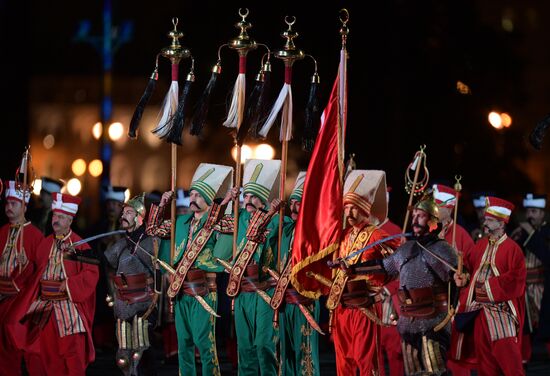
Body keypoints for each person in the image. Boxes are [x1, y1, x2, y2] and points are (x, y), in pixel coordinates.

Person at [350, 191, 458, 375]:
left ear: (432, 221)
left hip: (433, 320)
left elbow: (456, 277)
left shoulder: (442, 249)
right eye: (414, 215)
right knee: (412, 370)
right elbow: (383, 267)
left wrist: (460, 279)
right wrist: (353, 268)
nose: (415, 219)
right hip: (409, 320)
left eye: (421, 216)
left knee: (435, 370)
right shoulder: (406, 248)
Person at [147, 163, 234, 376]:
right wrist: (162, 204)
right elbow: (152, 229)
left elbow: (232, 227)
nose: (193, 198)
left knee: (204, 343)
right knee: (184, 344)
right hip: (181, 291)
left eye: (199, 195)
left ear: (208, 200)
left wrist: (228, 201)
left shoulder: (216, 222)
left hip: (204, 290)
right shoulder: (180, 222)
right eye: (192, 194)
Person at [327, 170, 399, 375]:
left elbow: (398, 262)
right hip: (342, 306)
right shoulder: (341, 235)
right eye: (346, 208)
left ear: (364, 209)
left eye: (354, 208)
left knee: (366, 361)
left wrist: (377, 281)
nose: (349, 213)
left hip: (364, 306)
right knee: (344, 362)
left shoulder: (377, 234)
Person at [215, 158, 282, 376]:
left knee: (264, 345)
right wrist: (227, 200)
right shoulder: (237, 218)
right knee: (245, 349)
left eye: (253, 196)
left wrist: (275, 212)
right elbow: (212, 223)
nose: (248, 200)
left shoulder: (276, 221)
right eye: (246, 196)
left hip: (265, 290)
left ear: (263, 200)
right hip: (242, 291)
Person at [21, 193, 99, 375]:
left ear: (70, 220)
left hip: (68, 305)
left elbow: (91, 274)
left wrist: (70, 283)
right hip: (44, 304)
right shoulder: (44, 243)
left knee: (72, 353)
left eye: (61, 217)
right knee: (38, 351)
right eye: (55, 216)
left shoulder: (81, 246)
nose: (55, 220)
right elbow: (34, 273)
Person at [452, 196, 526, 376]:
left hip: (502, 315)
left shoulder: (512, 248)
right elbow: (469, 268)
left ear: (501, 224)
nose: (485, 223)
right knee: (485, 366)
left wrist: (486, 289)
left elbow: (516, 280)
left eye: (490, 220)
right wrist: (463, 278)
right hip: (479, 314)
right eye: (486, 219)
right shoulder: (480, 244)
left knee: (511, 365)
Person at [104, 193, 160, 375]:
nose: (122, 216)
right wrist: (77, 254)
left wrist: (156, 299)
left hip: (144, 303)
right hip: (123, 303)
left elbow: (160, 273)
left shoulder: (152, 243)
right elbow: (103, 262)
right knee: (123, 357)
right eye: (123, 213)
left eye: (128, 212)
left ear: (139, 216)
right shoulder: (120, 244)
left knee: (141, 353)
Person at [271, 172, 321, 376]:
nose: (293, 206)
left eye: (299, 203)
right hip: (284, 302)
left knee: (305, 354)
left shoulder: (313, 232)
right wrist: (273, 213)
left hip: (304, 302)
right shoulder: (283, 229)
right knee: (286, 354)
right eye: (292, 201)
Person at [0, 181, 44, 375]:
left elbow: (41, 271)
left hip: (22, 298)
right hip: (1, 296)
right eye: (7, 203)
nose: (9, 207)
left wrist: (26, 266)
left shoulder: (36, 236)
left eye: (14, 204)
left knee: (12, 332)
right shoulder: (1, 231)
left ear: (24, 206)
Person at [432, 184, 475, 375]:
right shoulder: (426, 231)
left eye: (436, 207)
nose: (432, 210)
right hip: (429, 301)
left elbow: (472, 271)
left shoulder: (462, 235)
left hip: (454, 301)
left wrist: (463, 274)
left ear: (448, 209)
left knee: (456, 359)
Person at [510, 193, 549, 362]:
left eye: (534, 211)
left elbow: (546, 256)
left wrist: (531, 233)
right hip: (524, 290)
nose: (530, 216)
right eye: (528, 211)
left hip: (543, 288)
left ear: (543, 214)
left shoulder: (547, 232)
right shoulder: (522, 232)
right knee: (524, 328)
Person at [89, 184, 127, 351]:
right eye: (109, 204)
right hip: (103, 275)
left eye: (116, 204)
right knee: (102, 305)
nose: (112, 207)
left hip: (121, 275)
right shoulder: (99, 226)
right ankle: (103, 340)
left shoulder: (127, 226)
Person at [378, 186, 404, 376]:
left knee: (395, 355)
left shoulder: (395, 231)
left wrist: (386, 289)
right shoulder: (364, 231)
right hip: (369, 302)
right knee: (372, 354)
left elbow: (403, 269)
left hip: (390, 303)